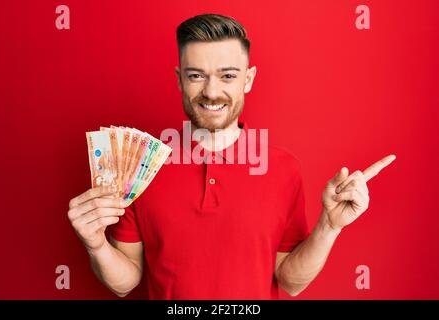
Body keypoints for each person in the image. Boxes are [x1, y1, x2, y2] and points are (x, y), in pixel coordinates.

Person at [67, 14, 396, 299]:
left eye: (227, 76)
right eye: (197, 75)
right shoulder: (140, 167)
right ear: (180, 80)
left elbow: (290, 281)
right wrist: (95, 245)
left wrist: (329, 226)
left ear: (248, 80)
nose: (211, 92)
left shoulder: (284, 169)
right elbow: (125, 283)